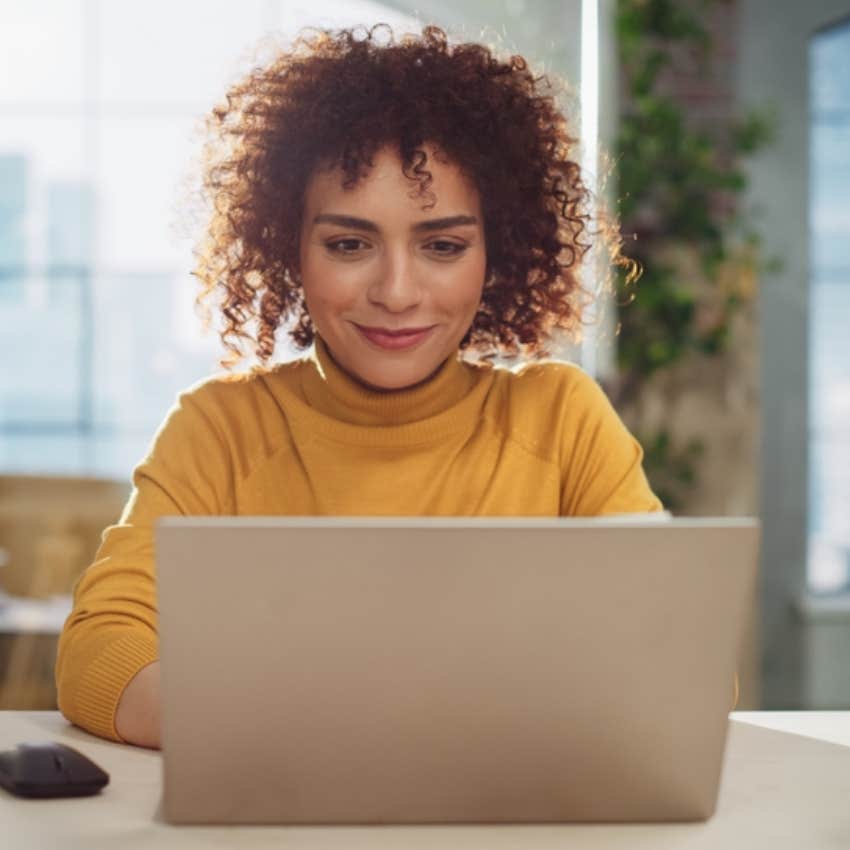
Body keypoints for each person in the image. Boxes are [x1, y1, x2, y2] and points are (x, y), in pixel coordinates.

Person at [55, 24, 663, 750]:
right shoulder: (220, 429)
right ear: (290, 248)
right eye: (349, 244)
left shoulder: (561, 420)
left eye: (443, 246)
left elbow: (674, 665)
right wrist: (313, 731)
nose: (398, 292)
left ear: (497, 253)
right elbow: (99, 652)